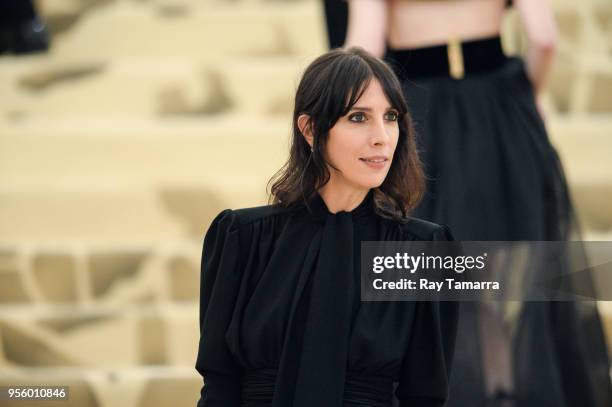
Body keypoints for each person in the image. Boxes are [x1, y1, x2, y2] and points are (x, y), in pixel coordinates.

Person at [344, 1, 612, 406]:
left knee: (433, 277)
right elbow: (544, 37)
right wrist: (526, 95)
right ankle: (503, 391)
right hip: (501, 108)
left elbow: (364, 51)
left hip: (420, 115)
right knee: (504, 275)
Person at [195, 47, 459, 407]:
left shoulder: (423, 250)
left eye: (391, 116)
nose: (382, 137)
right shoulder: (242, 238)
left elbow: (425, 396)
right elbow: (219, 387)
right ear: (310, 129)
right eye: (358, 117)